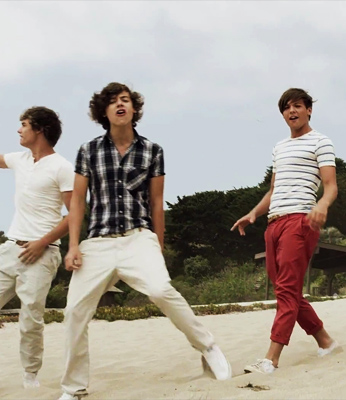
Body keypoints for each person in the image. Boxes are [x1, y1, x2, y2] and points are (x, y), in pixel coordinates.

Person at [58, 82, 231, 400]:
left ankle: (208, 347)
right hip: (97, 242)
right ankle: (73, 388)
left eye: (125, 100)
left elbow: (157, 203)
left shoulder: (153, 150)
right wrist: (73, 246)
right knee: (74, 312)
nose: (120, 105)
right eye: (112, 101)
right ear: (104, 112)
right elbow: (78, 201)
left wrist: (158, 245)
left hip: (138, 237)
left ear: (134, 108)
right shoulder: (88, 150)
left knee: (161, 290)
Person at [232, 88, 340, 374]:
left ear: (309, 110)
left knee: (286, 290)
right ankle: (326, 341)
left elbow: (331, 186)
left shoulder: (321, 142)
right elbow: (273, 190)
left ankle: (271, 358)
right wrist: (253, 214)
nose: (292, 111)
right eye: (286, 107)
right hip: (274, 224)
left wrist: (322, 205)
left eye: (297, 106)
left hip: (300, 221)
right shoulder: (279, 147)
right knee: (286, 290)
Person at [0, 106, 73, 388]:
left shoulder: (62, 167)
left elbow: (76, 214)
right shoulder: (20, 159)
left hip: (43, 253)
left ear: (40, 129)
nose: (19, 130)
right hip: (10, 248)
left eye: (24, 124)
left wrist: (42, 242)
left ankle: (30, 375)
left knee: (30, 318)